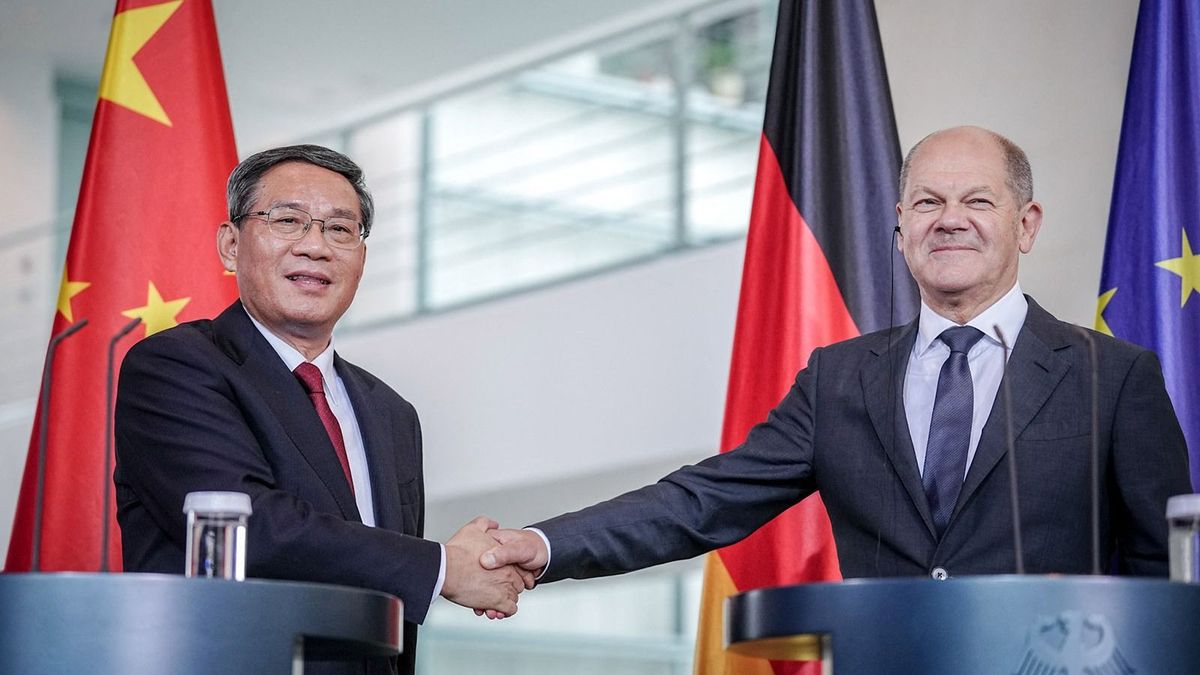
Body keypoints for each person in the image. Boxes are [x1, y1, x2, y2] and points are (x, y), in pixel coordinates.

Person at [478, 126, 1191, 591]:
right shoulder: (839, 379)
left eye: (978, 200)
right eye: (926, 201)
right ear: (902, 226)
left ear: (1025, 224)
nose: (949, 218)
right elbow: (702, 500)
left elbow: (1170, 567)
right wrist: (543, 544)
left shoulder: (1113, 375)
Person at [114, 145, 529, 675]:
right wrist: (444, 567)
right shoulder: (175, 366)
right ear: (231, 244)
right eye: (288, 220)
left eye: (340, 230)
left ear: (361, 256)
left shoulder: (392, 414)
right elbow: (253, 529)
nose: (315, 247)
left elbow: (389, 603)